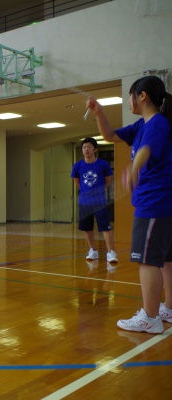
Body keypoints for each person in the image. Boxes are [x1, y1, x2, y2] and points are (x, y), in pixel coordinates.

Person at [86, 75, 172, 334]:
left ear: (142, 96)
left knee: (147, 260)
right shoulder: (141, 125)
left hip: (154, 203)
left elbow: (146, 149)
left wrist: (133, 170)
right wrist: (99, 113)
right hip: (162, 204)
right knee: (166, 259)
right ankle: (168, 308)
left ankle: (150, 317)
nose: (129, 101)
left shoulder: (157, 123)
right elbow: (110, 135)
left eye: (131, 96)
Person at [71, 137, 117, 263]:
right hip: (84, 203)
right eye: (84, 147)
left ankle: (111, 252)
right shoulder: (77, 166)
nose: (86, 149)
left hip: (100, 202)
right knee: (87, 228)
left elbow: (108, 180)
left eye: (89, 147)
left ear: (95, 149)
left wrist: (99, 191)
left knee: (106, 227)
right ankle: (92, 250)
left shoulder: (103, 164)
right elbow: (77, 182)